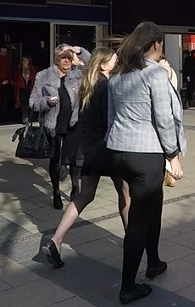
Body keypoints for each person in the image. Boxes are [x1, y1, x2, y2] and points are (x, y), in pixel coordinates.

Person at [106, 21, 186, 305]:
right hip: (147, 154)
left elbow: (111, 116)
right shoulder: (155, 74)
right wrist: (173, 154)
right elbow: (164, 118)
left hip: (118, 149)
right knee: (140, 217)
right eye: (161, 44)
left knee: (153, 203)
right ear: (155, 44)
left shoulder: (118, 74)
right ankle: (128, 285)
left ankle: (154, 260)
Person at [42, 47, 131, 270]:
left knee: (84, 196)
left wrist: (78, 50)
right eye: (114, 59)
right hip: (109, 148)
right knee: (125, 193)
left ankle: (56, 239)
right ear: (103, 64)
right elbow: (111, 119)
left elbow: (88, 61)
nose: (117, 61)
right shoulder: (106, 86)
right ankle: (133, 240)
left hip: (89, 149)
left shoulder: (87, 84)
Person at [30, 45, 90, 210]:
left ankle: (75, 188)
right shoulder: (44, 75)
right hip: (53, 125)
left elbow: (92, 64)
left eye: (69, 58)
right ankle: (56, 192)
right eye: (64, 58)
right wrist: (47, 102)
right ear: (57, 59)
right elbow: (33, 102)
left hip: (73, 123)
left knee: (75, 159)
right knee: (55, 159)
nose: (67, 61)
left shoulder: (78, 75)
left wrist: (79, 50)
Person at [0, 45, 15, 120]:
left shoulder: (9, 59)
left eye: (5, 52)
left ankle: (4, 117)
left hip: (6, 82)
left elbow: (11, 71)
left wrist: (11, 79)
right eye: (2, 51)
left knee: (5, 100)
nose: (3, 53)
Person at [14, 55, 36, 125]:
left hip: (30, 87)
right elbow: (16, 78)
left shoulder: (32, 69)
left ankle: (30, 118)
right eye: (23, 60)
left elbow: (35, 78)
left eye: (25, 60)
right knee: (23, 104)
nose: (24, 62)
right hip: (22, 88)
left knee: (30, 103)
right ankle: (25, 119)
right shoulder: (19, 69)